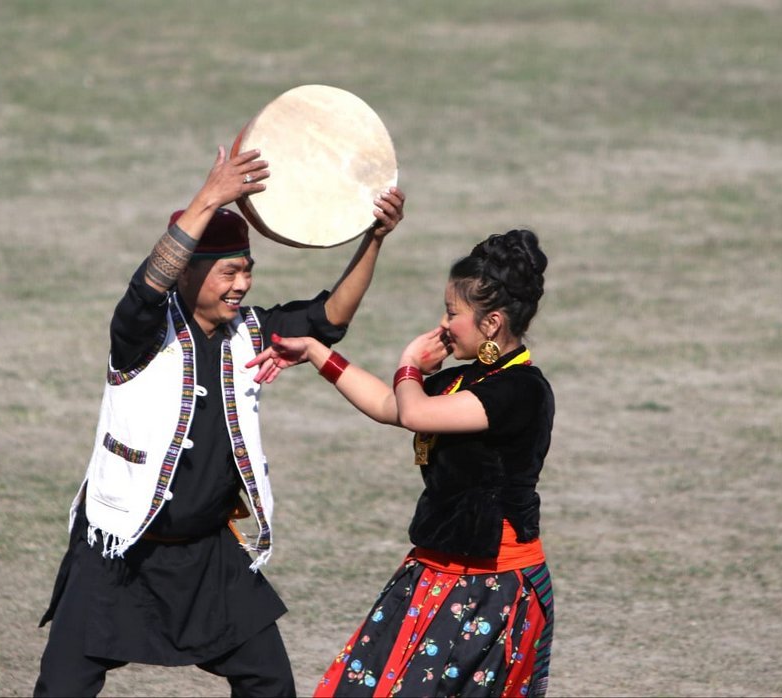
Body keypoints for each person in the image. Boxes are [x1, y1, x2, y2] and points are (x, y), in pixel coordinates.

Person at [33, 145, 406, 697]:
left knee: (269, 683)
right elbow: (146, 287)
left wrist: (374, 237)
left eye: (247, 272)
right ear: (188, 274)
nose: (241, 285)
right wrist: (210, 196)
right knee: (63, 688)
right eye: (228, 271)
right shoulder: (140, 336)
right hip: (120, 548)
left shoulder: (250, 334)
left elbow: (331, 317)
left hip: (207, 554)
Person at [248, 229, 554, 697]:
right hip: (435, 572)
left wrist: (410, 361)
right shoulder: (465, 380)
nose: (444, 323)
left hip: (492, 584)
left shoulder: (521, 390)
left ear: (491, 323)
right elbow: (390, 406)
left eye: (453, 313)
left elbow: (412, 411)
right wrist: (315, 352)